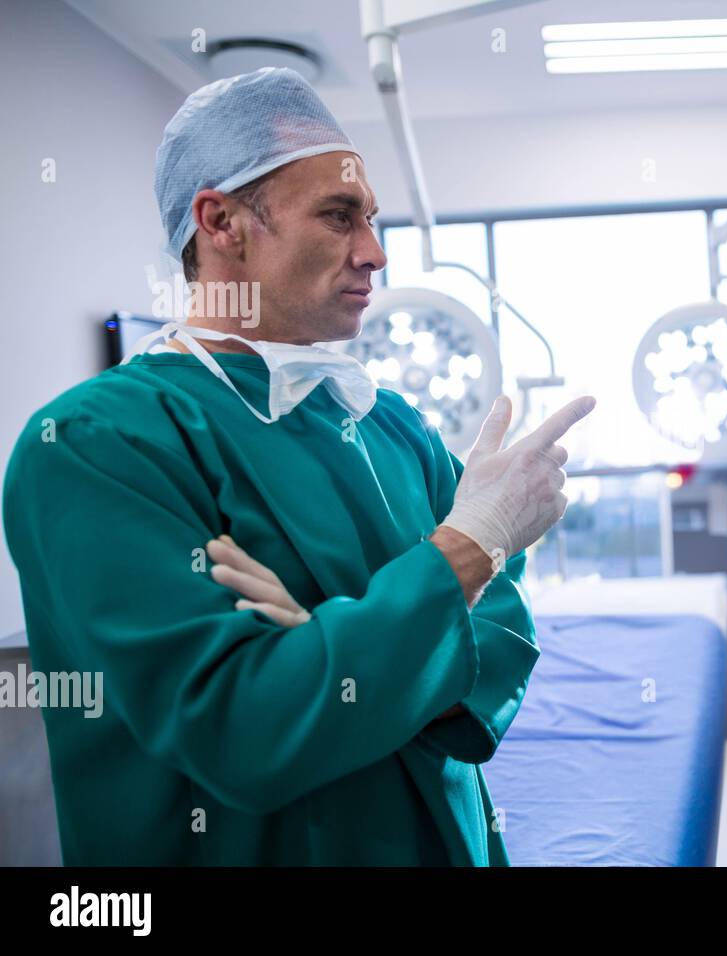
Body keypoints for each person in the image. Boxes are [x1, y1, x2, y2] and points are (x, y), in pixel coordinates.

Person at [1, 67, 594, 865]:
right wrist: (462, 555)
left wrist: (328, 646)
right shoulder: (96, 446)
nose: (375, 253)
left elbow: (503, 629)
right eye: (339, 216)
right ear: (221, 221)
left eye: (373, 219)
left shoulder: (387, 424)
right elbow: (245, 729)